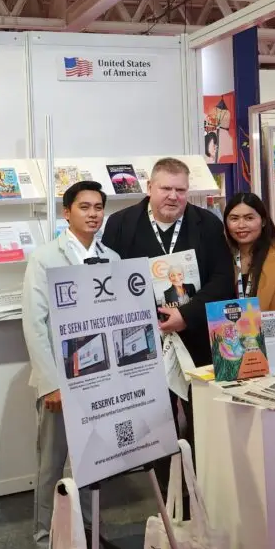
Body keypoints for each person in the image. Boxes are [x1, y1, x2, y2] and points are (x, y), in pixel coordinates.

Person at [102, 157, 235, 495]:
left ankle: (205, 488)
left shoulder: (207, 223)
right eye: (166, 188)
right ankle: (167, 492)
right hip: (144, 338)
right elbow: (109, 283)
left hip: (197, 337)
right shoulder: (120, 224)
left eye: (181, 190)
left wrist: (186, 315)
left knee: (202, 414)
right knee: (154, 418)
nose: (173, 196)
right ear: (149, 188)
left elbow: (222, 281)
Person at [22, 181, 128, 549]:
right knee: (51, 465)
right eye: (84, 207)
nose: (93, 214)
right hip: (61, 381)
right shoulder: (46, 258)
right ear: (67, 212)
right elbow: (34, 322)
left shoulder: (112, 258)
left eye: (99, 207)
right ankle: (45, 545)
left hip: (99, 379)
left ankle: (89, 534)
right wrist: (50, 383)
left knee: (93, 462)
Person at [223, 191, 275, 343]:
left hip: (274, 348)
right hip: (230, 347)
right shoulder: (220, 257)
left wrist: (260, 330)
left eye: (249, 218)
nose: (241, 225)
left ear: (263, 221)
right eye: (234, 219)